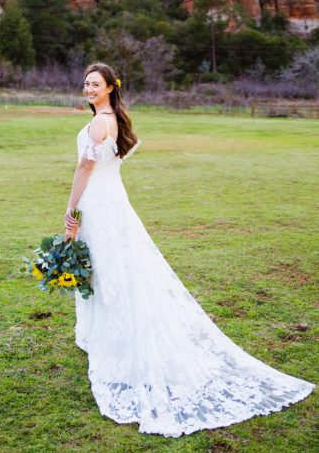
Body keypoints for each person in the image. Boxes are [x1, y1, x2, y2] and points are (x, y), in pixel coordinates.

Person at [64, 61, 315, 438]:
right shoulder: (113, 118)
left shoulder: (101, 122)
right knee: (115, 268)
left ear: (111, 88)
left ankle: (121, 344)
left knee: (109, 270)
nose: (88, 88)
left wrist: (70, 212)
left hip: (99, 204)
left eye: (95, 84)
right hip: (113, 202)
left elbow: (83, 170)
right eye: (86, 83)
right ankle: (107, 334)